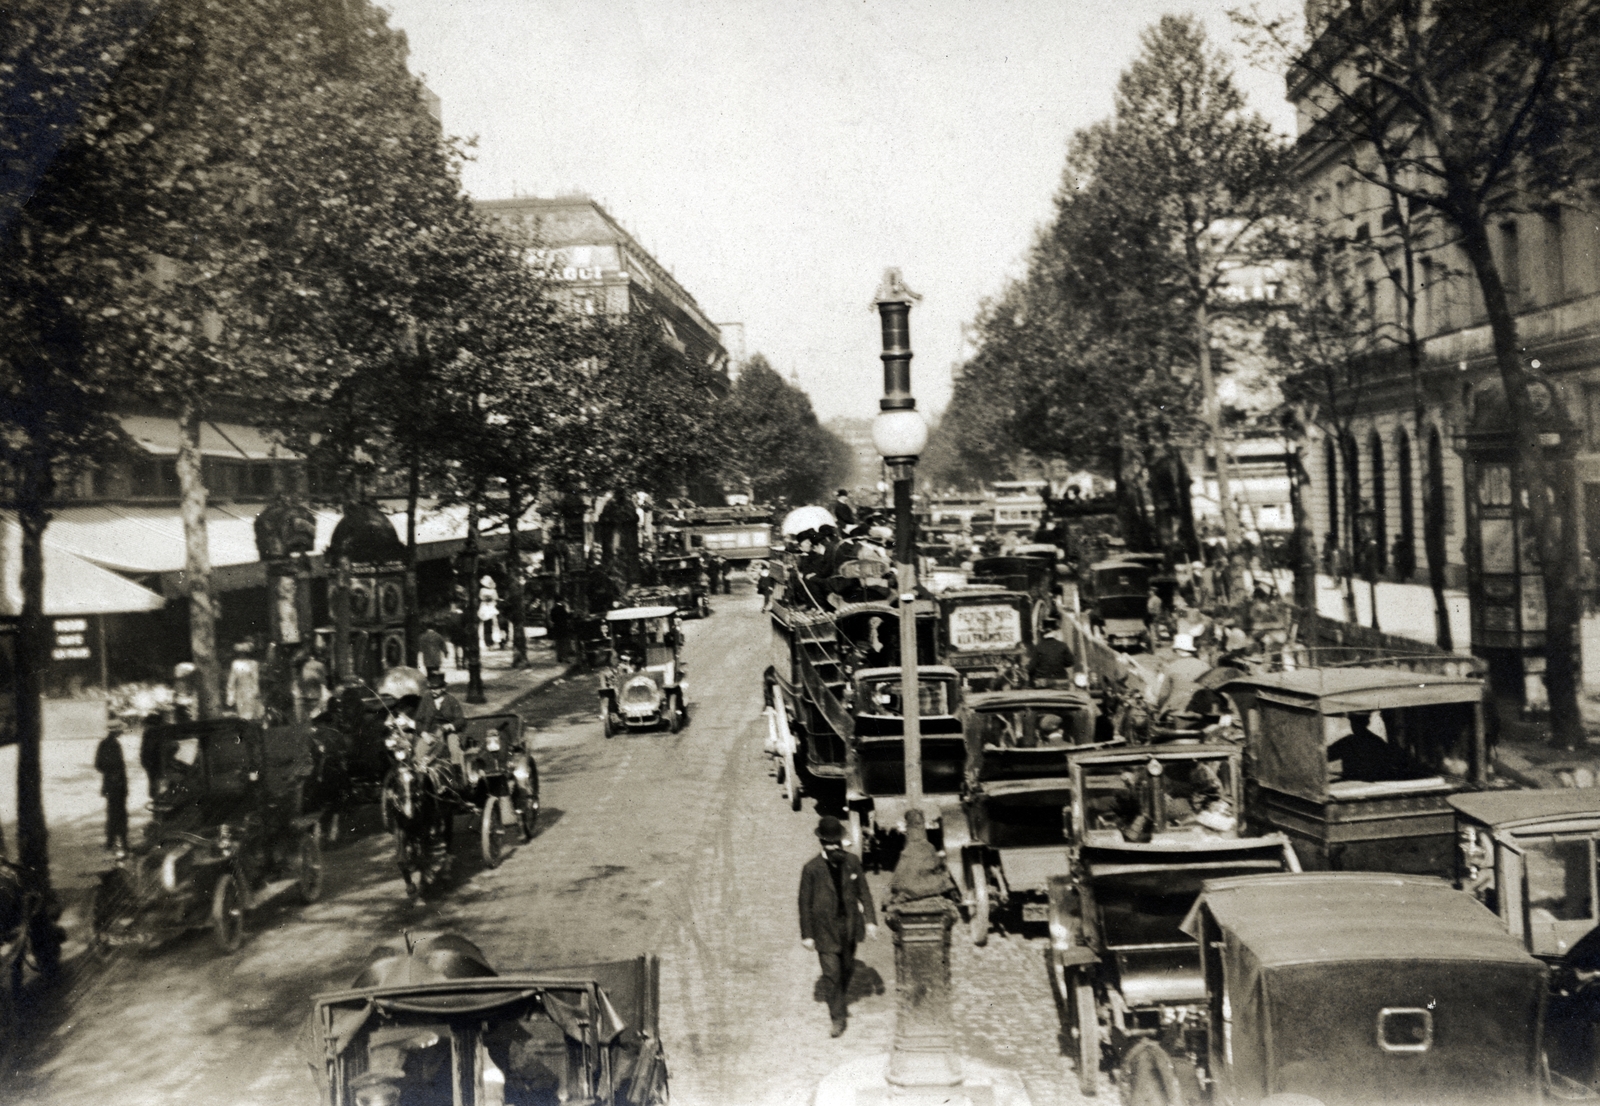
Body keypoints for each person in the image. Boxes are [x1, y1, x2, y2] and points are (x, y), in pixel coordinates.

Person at [798, 815, 877, 1037]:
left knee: (847, 969)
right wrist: (807, 935)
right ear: (821, 842)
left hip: (849, 927)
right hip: (824, 931)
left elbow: (864, 892)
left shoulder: (851, 861)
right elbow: (804, 903)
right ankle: (838, 1018)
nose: (833, 847)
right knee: (831, 974)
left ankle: (839, 997)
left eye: (836, 843)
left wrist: (870, 921)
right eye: (828, 843)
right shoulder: (811, 869)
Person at [1327, 712, 1419, 783]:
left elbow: (1327, 755)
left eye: (1353, 722)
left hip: (1355, 785)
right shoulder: (1377, 741)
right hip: (1374, 784)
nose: (1352, 725)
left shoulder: (1348, 742)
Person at [95, 719, 129, 853]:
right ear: (116, 731)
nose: (122, 732)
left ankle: (112, 841)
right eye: (121, 730)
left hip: (110, 784)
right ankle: (122, 842)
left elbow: (98, 764)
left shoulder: (105, 744)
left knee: (113, 812)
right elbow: (101, 764)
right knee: (119, 813)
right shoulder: (112, 745)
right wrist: (113, 773)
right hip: (116, 784)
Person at [226, 641, 263, 720]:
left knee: (253, 714)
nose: (242, 654)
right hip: (240, 693)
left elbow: (255, 679)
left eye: (244, 652)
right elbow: (231, 681)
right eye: (240, 652)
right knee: (243, 715)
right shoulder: (235, 664)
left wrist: (256, 692)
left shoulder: (253, 664)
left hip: (251, 692)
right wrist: (231, 696)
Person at [138, 712, 165, 802]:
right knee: (156, 786)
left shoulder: (149, 733)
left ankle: (155, 799)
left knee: (155, 786)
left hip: (152, 764)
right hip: (155, 764)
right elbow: (148, 750)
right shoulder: (151, 733)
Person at [296, 649, 329, 722]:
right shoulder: (320, 665)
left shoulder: (304, 666)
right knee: (318, 716)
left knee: (308, 717)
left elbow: (301, 682)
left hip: (306, 696)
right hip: (316, 695)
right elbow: (325, 680)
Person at [478, 575, 502, 649]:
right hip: (486, 607)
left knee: (493, 624)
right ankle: (485, 642)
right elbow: (482, 597)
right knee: (488, 624)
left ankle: (493, 641)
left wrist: (489, 599)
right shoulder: (484, 590)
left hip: (489, 607)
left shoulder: (487, 590)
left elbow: (495, 599)